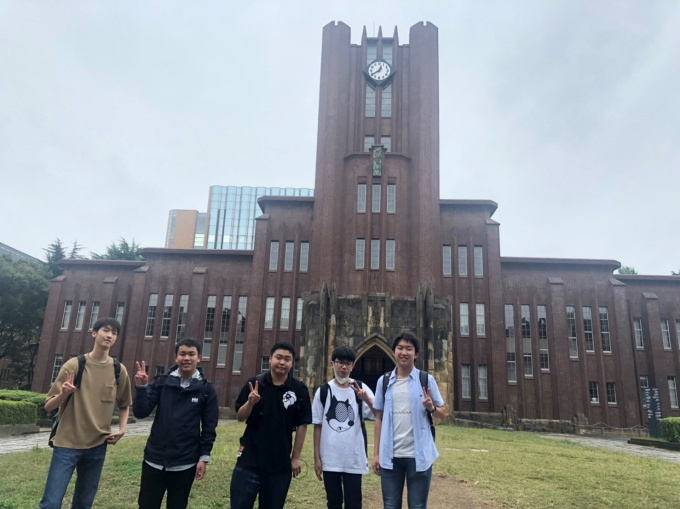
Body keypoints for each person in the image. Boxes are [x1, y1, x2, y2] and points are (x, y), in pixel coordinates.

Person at [40, 317, 132, 509]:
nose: (109, 335)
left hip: (97, 445)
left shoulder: (118, 370)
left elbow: (124, 404)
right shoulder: (74, 365)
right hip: (67, 443)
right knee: (51, 503)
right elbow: (48, 406)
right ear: (94, 333)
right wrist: (63, 394)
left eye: (114, 333)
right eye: (105, 330)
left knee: (83, 503)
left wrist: (122, 429)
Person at [133, 337, 219, 509]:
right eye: (182, 354)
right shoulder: (162, 382)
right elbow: (141, 412)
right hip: (154, 460)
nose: (186, 358)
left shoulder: (206, 389)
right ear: (176, 357)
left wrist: (204, 457)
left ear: (199, 358)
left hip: (185, 462)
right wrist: (141, 388)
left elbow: (209, 426)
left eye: (191, 354)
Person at [230, 341, 312, 509]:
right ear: (270, 359)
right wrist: (250, 403)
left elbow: (302, 425)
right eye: (278, 357)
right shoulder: (255, 384)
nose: (282, 362)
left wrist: (296, 457)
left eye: (287, 359)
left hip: (279, 465)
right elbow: (240, 417)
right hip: (249, 461)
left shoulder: (299, 390)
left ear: (292, 363)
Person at [372, 332, 446, 509]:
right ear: (393, 352)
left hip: (418, 457)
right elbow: (379, 418)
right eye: (400, 348)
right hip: (390, 457)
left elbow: (443, 412)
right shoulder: (384, 381)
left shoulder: (426, 380)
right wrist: (376, 454)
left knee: (418, 506)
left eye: (409, 348)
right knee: (390, 505)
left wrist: (431, 408)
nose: (404, 352)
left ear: (416, 354)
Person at [312, 345, 376, 509]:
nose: (343, 367)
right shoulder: (323, 391)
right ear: (332, 364)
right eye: (340, 362)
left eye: (348, 363)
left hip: (353, 458)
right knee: (333, 502)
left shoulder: (360, 388)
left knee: (354, 503)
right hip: (330, 458)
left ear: (353, 366)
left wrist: (366, 399)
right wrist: (317, 457)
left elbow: (378, 415)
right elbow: (318, 426)